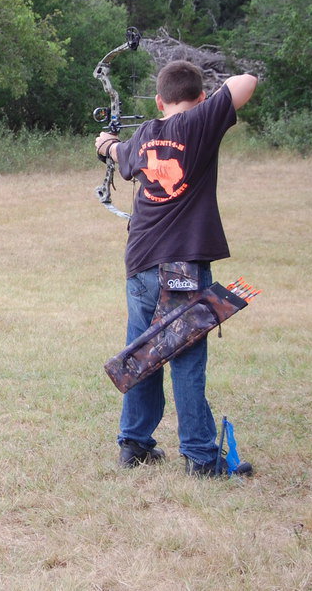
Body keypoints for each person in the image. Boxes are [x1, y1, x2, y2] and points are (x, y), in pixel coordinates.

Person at [95, 60, 258, 476]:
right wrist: (208, 107)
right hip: (181, 264)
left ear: (158, 100)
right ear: (201, 99)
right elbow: (247, 81)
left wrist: (106, 145)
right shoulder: (199, 123)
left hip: (141, 261)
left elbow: (121, 154)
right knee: (184, 356)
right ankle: (202, 458)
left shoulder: (147, 133)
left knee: (144, 349)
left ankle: (134, 444)